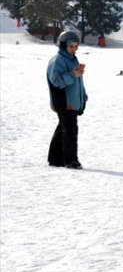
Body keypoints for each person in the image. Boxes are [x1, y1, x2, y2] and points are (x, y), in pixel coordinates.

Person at [47, 30, 88, 169]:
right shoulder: (58, 60)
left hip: (72, 100)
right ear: (63, 45)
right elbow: (56, 81)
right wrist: (72, 74)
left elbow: (78, 81)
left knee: (63, 128)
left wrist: (83, 95)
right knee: (70, 130)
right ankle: (70, 160)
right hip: (64, 101)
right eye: (71, 46)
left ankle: (55, 158)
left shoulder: (72, 59)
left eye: (76, 47)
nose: (73, 49)